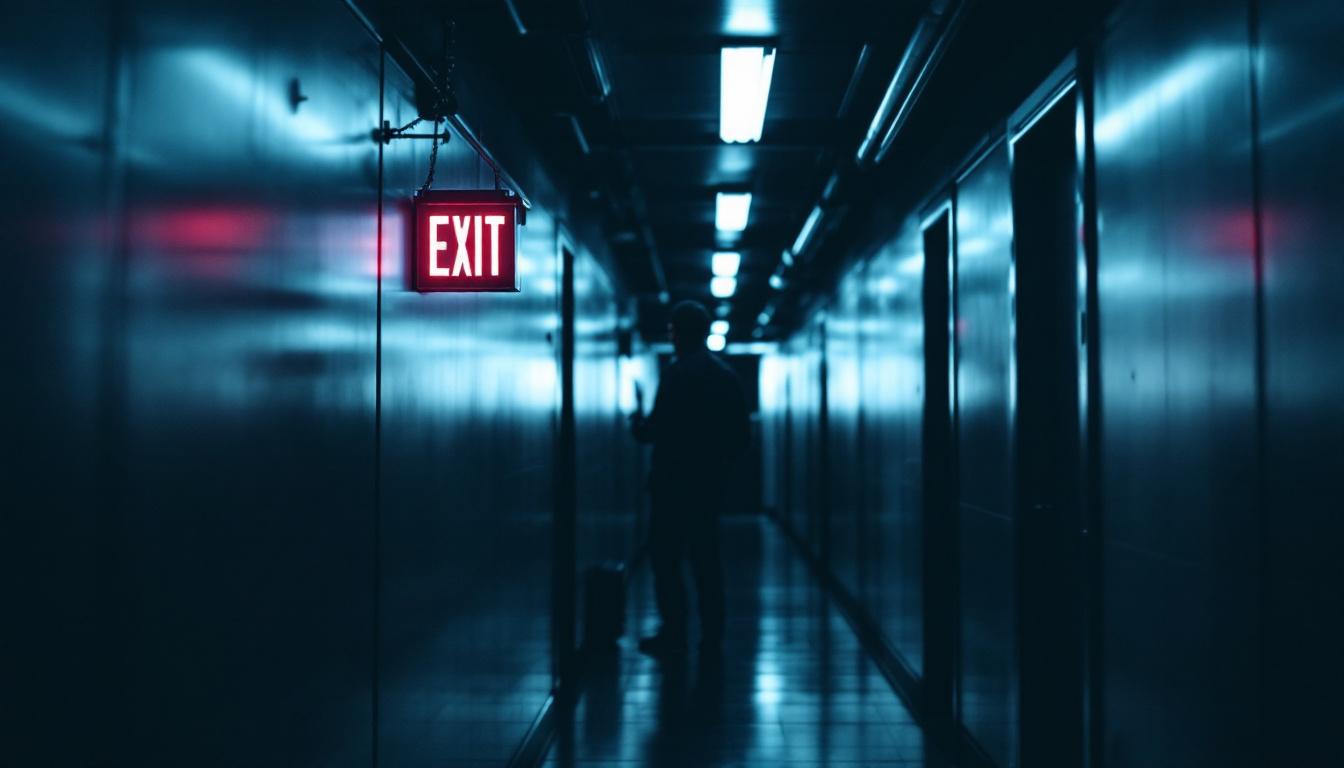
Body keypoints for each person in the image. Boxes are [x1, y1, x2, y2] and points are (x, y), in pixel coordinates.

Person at [630, 300, 750, 656]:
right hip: (707, 486)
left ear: (678, 334)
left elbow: (653, 431)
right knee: (706, 559)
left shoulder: (676, 375)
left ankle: (675, 632)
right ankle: (712, 636)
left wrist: (636, 422)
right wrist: (718, 464)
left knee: (666, 558)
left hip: (670, 485)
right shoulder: (725, 377)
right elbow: (742, 438)